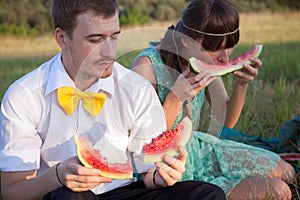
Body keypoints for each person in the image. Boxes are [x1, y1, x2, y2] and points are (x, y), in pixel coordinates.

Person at [0, 0, 226, 199]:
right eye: (96, 39)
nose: (109, 52)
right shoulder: (24, 96)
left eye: (114, 37)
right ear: (62, 38)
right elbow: (12, 192)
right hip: (63, 193)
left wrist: (161, 176)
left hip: (125, 191)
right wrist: (57, 176)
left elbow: (148, 174)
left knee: (208, 193)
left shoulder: (135, 88)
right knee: (69, 196)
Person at [130, 0, 296, 199]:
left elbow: (227, 121)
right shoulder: (146, 68)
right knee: (280, 192)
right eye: (217, 49)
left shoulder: (203, 62)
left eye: (230, 47)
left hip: (199, 149)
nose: (225, 58)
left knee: (288, 173)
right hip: (168, 169)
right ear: (187, 41)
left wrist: (241, 85)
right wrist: (174, 99)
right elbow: (143, 144)